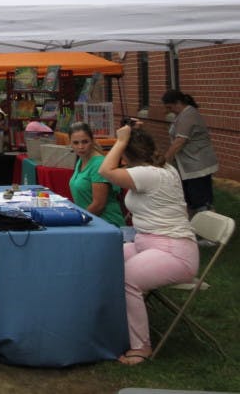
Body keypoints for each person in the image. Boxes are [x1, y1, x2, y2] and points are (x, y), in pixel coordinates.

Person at [99, 123, 199, 365]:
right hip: (147, 244)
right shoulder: (160, 168)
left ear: (127, 154)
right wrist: (128, 136)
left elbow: (105, 171)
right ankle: (111, 323)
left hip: (175, 253)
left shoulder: (149, 174)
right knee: (103, 257)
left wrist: (121, 141)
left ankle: (141, 347)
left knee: (128, 278)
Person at [161, 90, 219, 214]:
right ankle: (194, 227)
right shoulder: (182, 114)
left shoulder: (188, 115)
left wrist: (164, 161)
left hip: (197, 165)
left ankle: (210, 228)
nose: (168, 110)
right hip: (189, 165)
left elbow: (179, 142)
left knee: (202, 202)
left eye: (169, 107)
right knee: (190, 200)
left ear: (178, 102)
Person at [68, 122, 125, 227]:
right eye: (76, 143)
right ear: (70, 144)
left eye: (85, 142)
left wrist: (78, 222)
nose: (81, 147)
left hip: (106, 223)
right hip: (90, 222)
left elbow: (98, 205)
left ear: (93, 141)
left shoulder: (98, 163)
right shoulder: (81, 160)